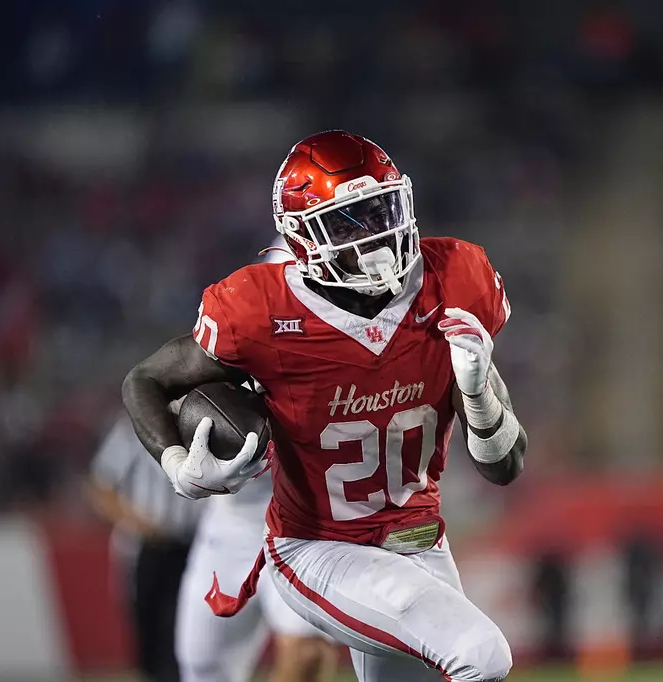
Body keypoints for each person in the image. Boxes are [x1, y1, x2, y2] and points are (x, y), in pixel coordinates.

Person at [123, 130, 527, 682]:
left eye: (381, 209)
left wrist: (478, 395)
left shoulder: (455, 280)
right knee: (480, 654)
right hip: (319, 548)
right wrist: (176, 464)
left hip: (419, 540)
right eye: (347, 222)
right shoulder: (260, 310)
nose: (377, 238)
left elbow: (504, 468)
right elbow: (145, 379)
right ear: (301, 238)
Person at [176, 239, 338, 682]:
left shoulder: (349, 348)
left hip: (309, 526)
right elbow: (164, 392)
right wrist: (179, 453)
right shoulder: (237, 335)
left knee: (305, 655)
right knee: (202, 665)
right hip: (233, 523)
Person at [86, 415, 203, 682]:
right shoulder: (131, 431)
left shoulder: (203, 424)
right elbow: (101, 486)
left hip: (194, 546)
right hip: (146, 548)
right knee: (147, 629)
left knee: (185, 630)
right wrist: (138, 523)